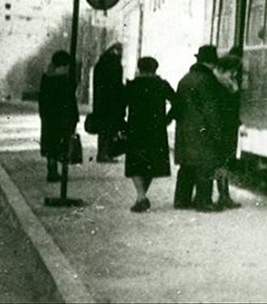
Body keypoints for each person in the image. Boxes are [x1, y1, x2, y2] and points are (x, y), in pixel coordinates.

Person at [173, 44, 224, 212]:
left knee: (186, 166)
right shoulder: (207, 80)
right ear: (211, 63)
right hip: (202, 130)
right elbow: (211, 110)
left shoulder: (185, 79)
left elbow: (177, 106)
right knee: (205, 165)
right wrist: (217, 133)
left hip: (184, 129)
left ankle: (181, 200)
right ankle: (204, 202)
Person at [122, 56, 176, 213]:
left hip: (135, 129)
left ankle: (141, 196)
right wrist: (167, 119)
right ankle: (141, 196)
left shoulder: (132, 85)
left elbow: (120, 106)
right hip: (156, 130)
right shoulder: (162, 85)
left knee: (135, 164)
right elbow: (177, 102)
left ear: (139, 69)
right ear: (155, 69)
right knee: (151, 163)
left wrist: (123, 124)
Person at [38, 51, 79, 182]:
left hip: (49, 115)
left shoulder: (46, 76)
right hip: (65, 115)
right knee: (63, 141)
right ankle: (58, 170)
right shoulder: (65, 78)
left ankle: (52, 168)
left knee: (51, 142)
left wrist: (43, 114)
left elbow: (42, 97)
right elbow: (71, 94)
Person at [212, 53, 243, 210]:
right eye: (233, 70)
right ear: (225, 69)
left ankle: (224, 195)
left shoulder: (227, 82)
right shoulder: (219, 84)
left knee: (224, 163)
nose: (235, 74)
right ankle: (223, 195)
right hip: (223, 128)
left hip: (229, 128)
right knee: (221, 163)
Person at [92, 43, 126, 163]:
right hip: (112, 103)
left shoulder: (100, 63)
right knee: (110, 129)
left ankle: (102, 153)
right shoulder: (115, 64)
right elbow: (117, 85)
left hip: (101, 102)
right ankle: (106, 154)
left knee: (103, 130)